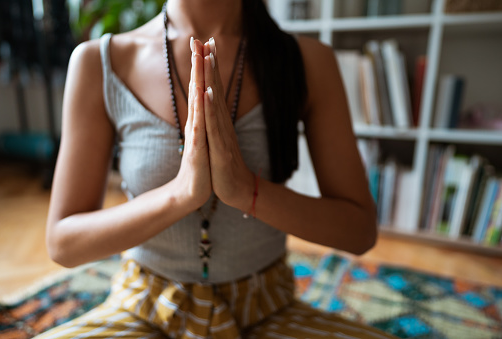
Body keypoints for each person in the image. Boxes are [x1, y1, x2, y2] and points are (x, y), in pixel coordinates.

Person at [36, 0, 395, 338]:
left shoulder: (307, 62)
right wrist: (180, 194)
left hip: (267, 309)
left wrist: (244, 190)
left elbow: (359, 231)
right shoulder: (101, 62)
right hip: (145, 309)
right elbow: (64, 242)